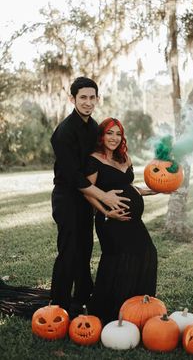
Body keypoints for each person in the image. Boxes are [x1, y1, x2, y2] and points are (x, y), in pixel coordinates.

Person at [50, 77, 130, 317]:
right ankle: (59, 306)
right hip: (67, 198)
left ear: (97, 99)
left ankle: (82, 301)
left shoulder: (95, 128)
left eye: (91, 97)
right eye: (82, 97)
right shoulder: (63, 133)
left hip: (87, 199)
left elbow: (102, 162)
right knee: (69, 251)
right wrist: (104, 197)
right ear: (72, 99)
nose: (87, 102)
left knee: (85, 250)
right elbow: (75, 177)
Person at [84, 117, 158, 324]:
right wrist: (107, 213)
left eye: (118, 134)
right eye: (110, 133)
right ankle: (110, 311)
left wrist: (158, 189)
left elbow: (132, 189)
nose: (114, 138)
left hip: (133, 222)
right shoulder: (94, 159)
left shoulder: (124, 158)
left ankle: (138, 309)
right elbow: (88, 192)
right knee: (120, 261)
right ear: (102, 135)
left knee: (147, 254)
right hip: (111, 222)